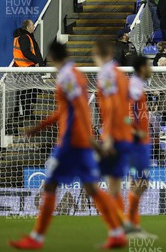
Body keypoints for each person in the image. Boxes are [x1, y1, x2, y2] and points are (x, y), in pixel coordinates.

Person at [9, 42, 125, 250]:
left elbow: (78, 109)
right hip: (79, 141)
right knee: (92, 188)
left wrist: (81, 138)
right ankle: (117, 231)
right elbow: (67, 110)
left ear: (53, 58)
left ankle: (36, 238)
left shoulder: (66, 76)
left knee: (50, 186)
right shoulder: (75, 75)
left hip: (70, 143)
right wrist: (40, 127)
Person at [92, 40, 133, 237]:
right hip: (123, 134)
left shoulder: (107, 76)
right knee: (113, 182)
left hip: (114, 135)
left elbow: (112, 108)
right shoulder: (119, 74)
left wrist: (107, 135)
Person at [123, 56, 156, 238]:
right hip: (137, 143)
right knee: (140, 181)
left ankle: (131, 224)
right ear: (143, 68)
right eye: (149, 66)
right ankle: (130, 223)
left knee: (140, 182)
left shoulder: (137, 85)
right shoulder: (134, 86)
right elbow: (125, 113)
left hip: (140, 142)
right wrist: (136, 130)